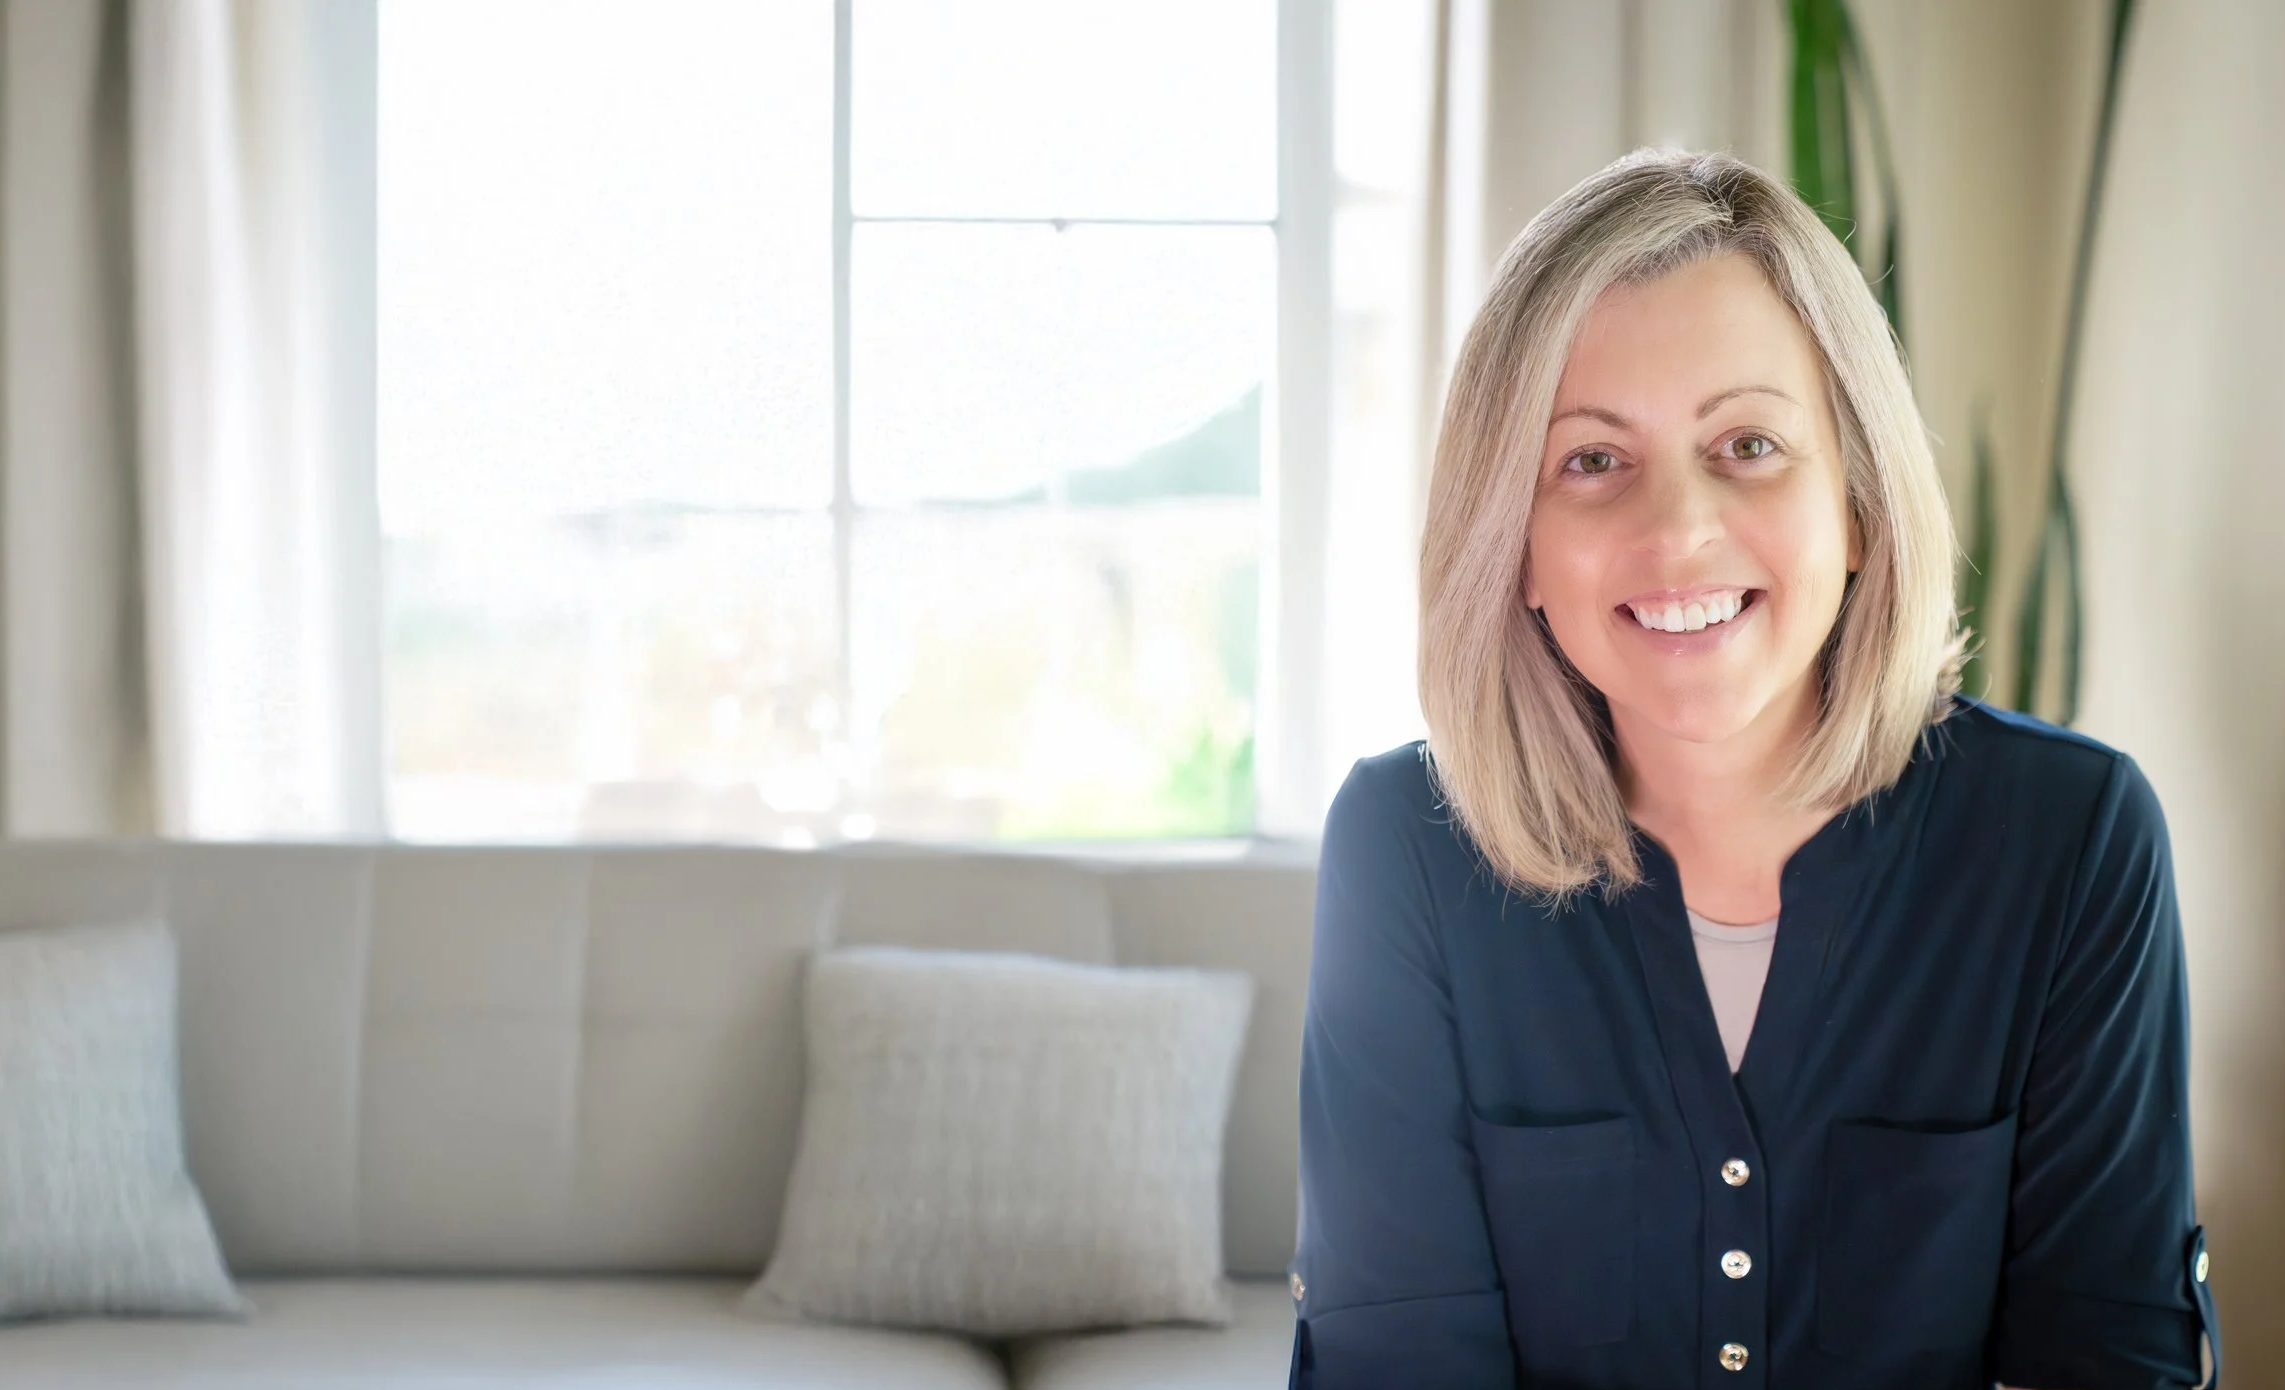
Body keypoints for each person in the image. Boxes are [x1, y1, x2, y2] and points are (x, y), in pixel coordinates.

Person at [1285, 148, 2221, 1390]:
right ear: (1512, 544)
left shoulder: (2071, 839)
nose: (1677, 530)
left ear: (1858, 506)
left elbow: (2102, 1356)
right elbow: (1393, 1363)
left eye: (1747, 443)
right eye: (1590, 460)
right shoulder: (1403, 847)